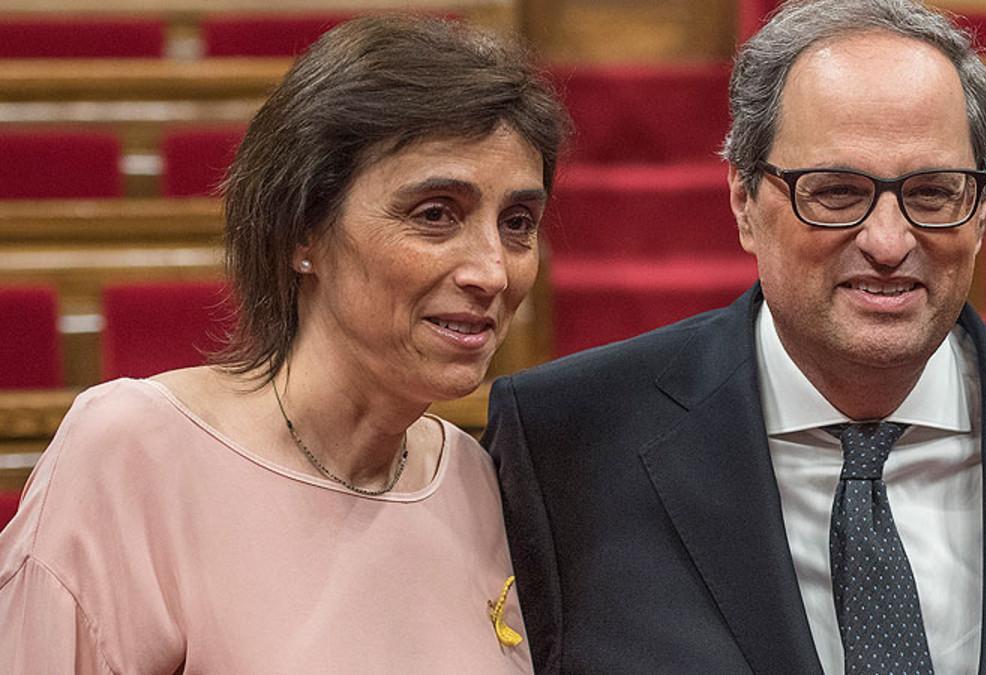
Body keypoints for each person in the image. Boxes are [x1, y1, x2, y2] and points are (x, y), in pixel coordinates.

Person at [485, 1, 986, 673]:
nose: (889, 241)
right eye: (835, 192)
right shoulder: (567, 447)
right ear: (743, 201)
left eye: (933, 192)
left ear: (980, 208)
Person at [0, 16, 567, 673]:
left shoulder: (472, 478)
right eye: (435, 213)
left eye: (518, 223)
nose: (493, 271)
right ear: (302, 231)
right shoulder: (132, 454)